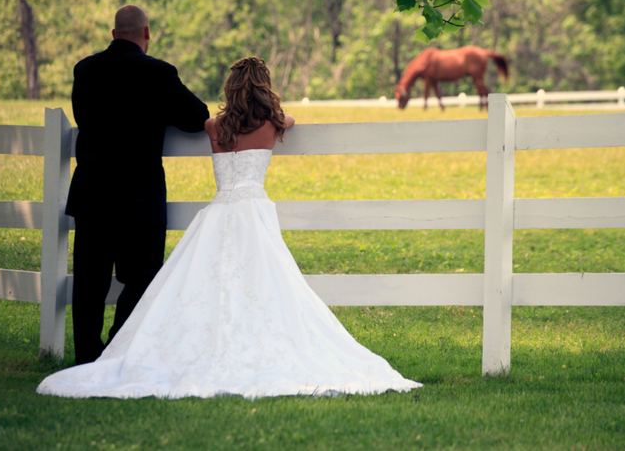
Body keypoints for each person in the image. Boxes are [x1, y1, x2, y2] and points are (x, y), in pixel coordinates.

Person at [37, 57, 422, 399]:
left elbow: (202, 120)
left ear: (230, 89)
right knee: (265, 282)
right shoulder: (274, 124)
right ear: (264, 88)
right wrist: (270, 108)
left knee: (206, 282)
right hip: (254, 212)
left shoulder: (213, 127)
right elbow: (291, 119)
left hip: (220, 212)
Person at [66, 5, 210, 365]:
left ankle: (86, 355)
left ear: (114, 34)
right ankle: (117, 348)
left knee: (89, 281)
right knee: (143, 276)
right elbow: (197, 117)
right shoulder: (158, 73)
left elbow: (83, 116)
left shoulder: (85, 70)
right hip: (138, 195)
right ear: (147, 33)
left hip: (92, 192)